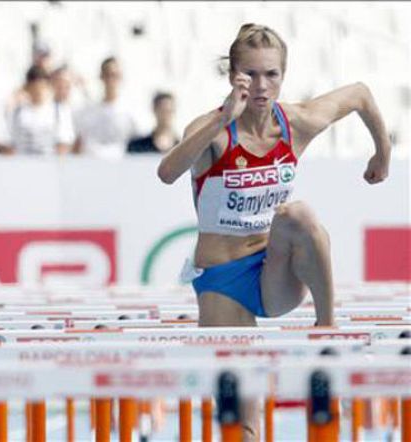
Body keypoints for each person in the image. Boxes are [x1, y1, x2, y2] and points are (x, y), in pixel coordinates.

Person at [157, 24, 391, 439]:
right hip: (221, 280)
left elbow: (359, 93)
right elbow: (167, 172)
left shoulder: (297, 122)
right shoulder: (211, 128)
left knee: (298, 215)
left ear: (283, 75)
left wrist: (382, 154)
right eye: (250, 74)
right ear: (234, 75)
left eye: (271, 75)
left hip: (273, 272)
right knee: (242, 418)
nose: (261, 86)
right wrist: (220, 120)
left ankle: (326, 328)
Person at [74, 57, 140, 159]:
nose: (110, 80)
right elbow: (78, 145)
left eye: (114, 75)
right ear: (101, 76)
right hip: (91, 166)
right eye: (107, 75)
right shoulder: (87, 111)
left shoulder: (131, 112)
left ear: (120, 77)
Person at [7, 65, 75, 156]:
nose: (38, 91)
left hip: (50, 164)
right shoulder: (17, 112)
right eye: (34, 88)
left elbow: (64, 143)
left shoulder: (60, 111)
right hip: (22, 164)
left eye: (41, 87)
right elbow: (10, 144)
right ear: (27, 87)